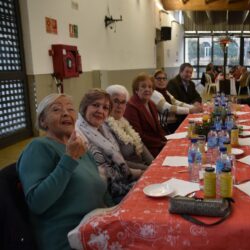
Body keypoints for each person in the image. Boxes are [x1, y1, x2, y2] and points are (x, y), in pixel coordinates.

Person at [17, 94, 113, 250]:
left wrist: (116, 213)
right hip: (67, 238)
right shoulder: (38, 147)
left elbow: (101, 190)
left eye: (70, 109)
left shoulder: (81, 149)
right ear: (43, 121)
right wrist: (70, 158)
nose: (66, 113)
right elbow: (37, 202)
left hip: (97, 229)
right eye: (56, 109)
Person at [76, 89, 140, 203]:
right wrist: (141, 173)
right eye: (95, 105)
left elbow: (120, 166)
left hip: (122, 182)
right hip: (107, 194)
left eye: (105, 108)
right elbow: (104, 174)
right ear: (85, 107)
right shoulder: (79, 135)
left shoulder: (104, 129)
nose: (100, 111)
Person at [105, 84, 154, 170]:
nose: (119, 106)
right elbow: (120, 161)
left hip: (144, 167)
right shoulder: (105, 126)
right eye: (116, 101)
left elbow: (140, 145)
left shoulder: (124, 122)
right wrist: (148, 169)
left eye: (123, 102)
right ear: (107, 103)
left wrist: (154, 163)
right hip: (131, 173)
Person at [125, 73, 167, 157]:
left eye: (150, 87)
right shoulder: (131, 106)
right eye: (143, 87)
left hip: (157, 144)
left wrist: (165, 140)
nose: (147, 89)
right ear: (136, 89)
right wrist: (160, 143)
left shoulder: (151, 103)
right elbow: (138, 135)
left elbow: (158, 127)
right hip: (146, 149)